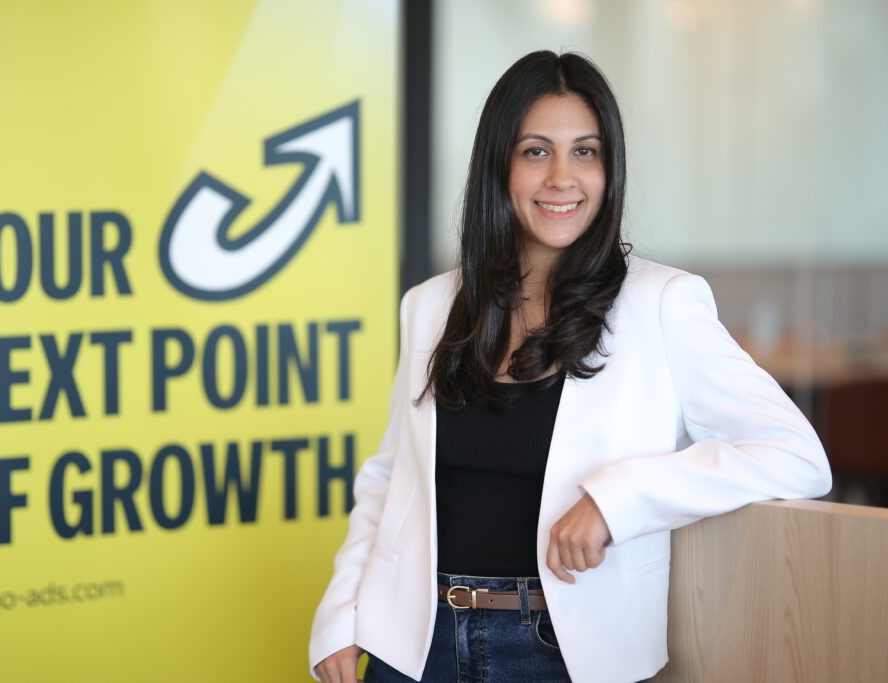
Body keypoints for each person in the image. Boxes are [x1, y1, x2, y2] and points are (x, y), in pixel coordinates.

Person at [309, 50, 831, 683]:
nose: (562, 177)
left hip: (562, 651)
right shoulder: (430, 305)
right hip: (412, 645)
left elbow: (795, 455)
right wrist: (342, 614)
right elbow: (390, 477)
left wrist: (618, 501)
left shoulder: (662, 303)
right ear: (499, 166)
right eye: (536, 151)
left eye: (585, 152)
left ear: (609, 170)